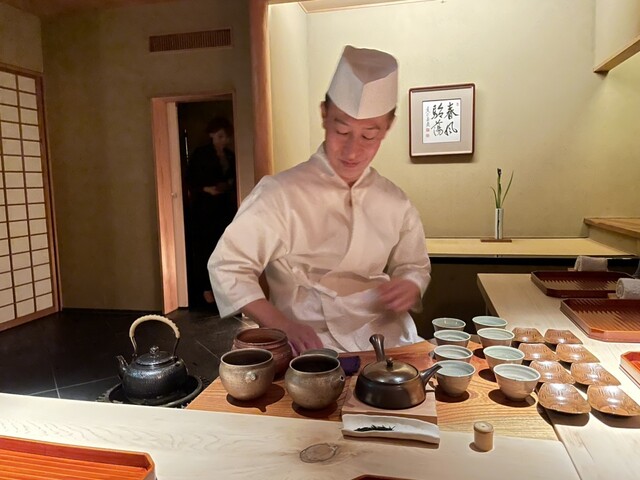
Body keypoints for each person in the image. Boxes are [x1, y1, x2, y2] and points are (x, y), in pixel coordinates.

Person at [209, 46, 430, 353]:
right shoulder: (279, 193)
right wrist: (280, 324)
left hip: (388, 339)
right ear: (324, 115)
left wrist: (410, 283)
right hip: (306, 343)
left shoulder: (395, 201)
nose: (352, 151)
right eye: (342, 130)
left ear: (387, 128)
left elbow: (414, 264)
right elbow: (228, 266)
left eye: (369, 136)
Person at [187, 116, 237, 307]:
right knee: (204, 247)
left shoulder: (230, 155)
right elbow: (190, 179)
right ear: (212, 135)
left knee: (223, 247)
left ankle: (222, 288)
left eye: (226, 137)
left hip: (224, 206)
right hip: (204, 207)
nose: (224, 140)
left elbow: (234, 177)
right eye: (220, 136)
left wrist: (228, 185)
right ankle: (205, 288)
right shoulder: (201, 154)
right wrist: (206, 189)